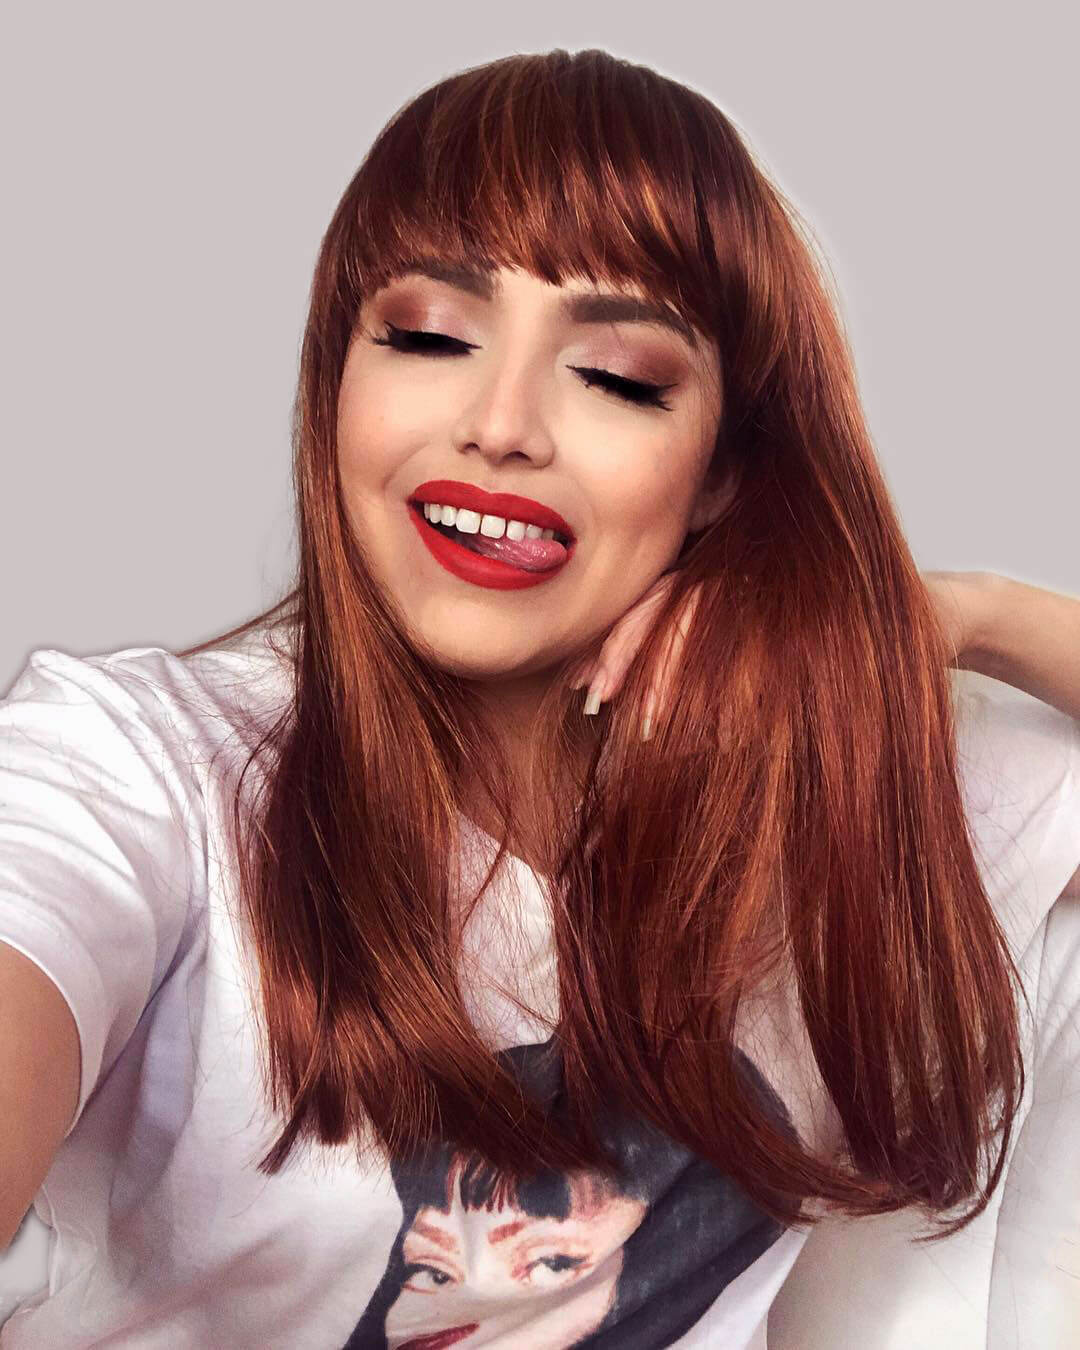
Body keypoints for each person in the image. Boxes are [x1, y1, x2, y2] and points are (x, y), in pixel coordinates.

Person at [0, 47, 1077, 1350]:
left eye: (619, 375)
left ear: (728, 471)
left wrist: (962, 614)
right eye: (426, 336)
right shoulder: (142, 771)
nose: (500, 422)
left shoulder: (855, 773)